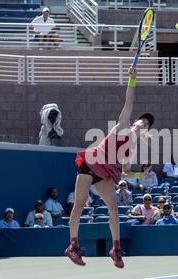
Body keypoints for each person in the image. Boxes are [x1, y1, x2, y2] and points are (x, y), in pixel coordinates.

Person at [65, 67, 153, 268]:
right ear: (136, 121)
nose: (145, 123)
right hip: (93, 161)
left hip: (106, 172)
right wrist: (132, 80)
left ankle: (115, 249)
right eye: (143, 120)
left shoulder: (131, 148)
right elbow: (129, 101)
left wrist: (141, 173)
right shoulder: (123, 124)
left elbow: (125, 172)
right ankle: (72, 246)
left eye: (148, 124)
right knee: (79, 204)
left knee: (113, 208)